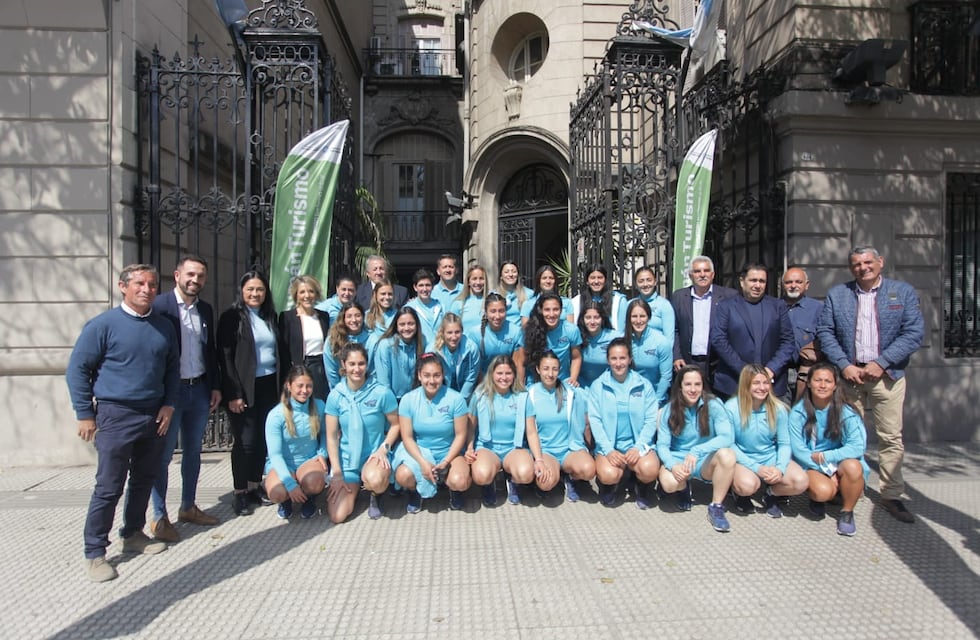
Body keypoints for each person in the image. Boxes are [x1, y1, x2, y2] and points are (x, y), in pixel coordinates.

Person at [67, 263, 178, 582]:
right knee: (109, 485)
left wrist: (169, 405)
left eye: (153, 284)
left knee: (144, 477)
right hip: (116, 414)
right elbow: (77, 370)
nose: (147, 289)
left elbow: (172, 369)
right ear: (123, 286)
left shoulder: (163, 326)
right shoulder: (102, 325)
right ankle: (95, 552)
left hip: (153, 413)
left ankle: (132, 533)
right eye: (140, 284)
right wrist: (84, 413)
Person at [816, 245, 924, 523]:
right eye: (856, 264)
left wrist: (883, 362)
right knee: (845, 436)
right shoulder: (838, 294)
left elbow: (914, 333)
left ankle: (892, 495)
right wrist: (844, 365)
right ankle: (848, 487)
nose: (862, 267)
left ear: (880, 262)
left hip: (887, 377)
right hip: (850, 376)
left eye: (867, 262)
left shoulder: (902, 292)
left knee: (890, 437)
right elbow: (825, 332)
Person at [148, 255, 222, 544]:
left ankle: (188, 506)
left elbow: (210, 350)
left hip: (199, 389)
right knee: (163, 456)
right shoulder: (160, 307)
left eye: (201, 276)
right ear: (177, 274)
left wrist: (214, 386)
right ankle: (158, 515)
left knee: (193, 452)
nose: (195, 280)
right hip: (171, 393)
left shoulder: (205, 309)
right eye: (190, 274)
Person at [217, 270, 281, 517]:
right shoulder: (232, 317)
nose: (255, 294)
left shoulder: (269, 316)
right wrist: (233, 393)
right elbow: (225, 358)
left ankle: (255, 486)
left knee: (262, 440)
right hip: (244, 389)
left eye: (260, 290)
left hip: (268, 386)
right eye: (250, 289)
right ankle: (240, 492)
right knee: (245, 442)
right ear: (242, 291)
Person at [788, 362, 870, 536]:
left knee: (854, 468)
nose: (823, 385)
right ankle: (821, 496)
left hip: (837, 461)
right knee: (823, 492)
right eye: (818, 380)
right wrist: (825, 471)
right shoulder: (798, 412)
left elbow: (857, 447)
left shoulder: (847, 412)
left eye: (828, 381)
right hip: (812, 463)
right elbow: (799, 450)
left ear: (835, 385)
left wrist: (827, 458)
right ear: (809, 383)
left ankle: (847, 512)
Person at [656, 365, 737, 532]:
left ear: (702, 386)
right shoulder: (669, 409)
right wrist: (672, 465)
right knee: (670, 484)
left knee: (727, 455)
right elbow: (662, 446)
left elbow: (727, 437)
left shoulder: (714, 405)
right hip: (679, 459)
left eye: (697, 384)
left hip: (703, 460)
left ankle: (716, 507)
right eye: (688, 384)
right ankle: (683, 487)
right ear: (680, 387)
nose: (693, 389)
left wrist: (697, 450)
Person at [325, 343, 399, 522]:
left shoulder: (381, 392)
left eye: (361, 364)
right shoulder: (336, 396)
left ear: (367, 364)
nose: (357, 369)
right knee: (337, 516)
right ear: (343, 364)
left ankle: (375, 493)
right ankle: (355, 487)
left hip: (374, 457)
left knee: (374, 479)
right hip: (348, 462)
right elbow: (332, 436)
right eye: (352, 364)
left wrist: (384, 448)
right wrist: (336, 473)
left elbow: (396, 425)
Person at [725, 364, 808, 518]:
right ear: (745, 385)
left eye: (766, 383)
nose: (762, 388)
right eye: (756, 383)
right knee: (748, 485)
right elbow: (729, 444)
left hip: (769, 456)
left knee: (801, 481)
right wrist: (756, 468)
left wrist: (780, 468)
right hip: (743, 459)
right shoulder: (731, 408)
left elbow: (784, 443)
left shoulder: (779, 408)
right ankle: (739, 493)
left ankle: (771, 493)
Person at [586, 338, 661, 508]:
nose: (618, 363)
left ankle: (641, 485)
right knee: (609, 474)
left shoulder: (644, 385)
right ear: (608, 360)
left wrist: (639, 447)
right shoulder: (598, 386)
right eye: (614, 358)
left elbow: (651, 420)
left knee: (649, 470)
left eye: (622, 358)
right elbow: (595, 421)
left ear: (630, 359)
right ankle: (610, 485)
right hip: (611, 447)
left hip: (636, 446)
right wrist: (608, 450)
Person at [392, 354, 471, 513]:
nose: (432, 381)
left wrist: (446, 461)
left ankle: (450, 486)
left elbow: (461, 435)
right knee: (403, 476)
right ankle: (415, 492)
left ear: (443, 375)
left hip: (450, 453)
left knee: (460, 481)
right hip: (420, 452)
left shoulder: (456, 399)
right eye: (427, 375)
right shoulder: (408, 400)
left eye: (437, 375)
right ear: (419, 376)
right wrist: (422, 462)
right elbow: (407, 437)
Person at [710, 262, 796, 400]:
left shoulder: (778, 306)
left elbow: (788, 342)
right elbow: (719, 340)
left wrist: (771, 370)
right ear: (742, 281)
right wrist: (746, 372)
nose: (758, 285)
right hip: (734, 383)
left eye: (762, 281)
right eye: (753, 280)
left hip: (772, 385)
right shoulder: (726, 306)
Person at [467, 355, 536, 507]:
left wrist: (539, 459)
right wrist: (469, 448)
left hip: (514, 448)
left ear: (514, 375)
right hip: (487, 448)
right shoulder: (479, 395)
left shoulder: (523, 397)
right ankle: (489, 484)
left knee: (526, 474)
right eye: (499, 373)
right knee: (481, 476)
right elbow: (470, 426)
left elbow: (531, 432)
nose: (504, 378)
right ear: (491, 374)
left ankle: (513, 480)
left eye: (508, 373)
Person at [526, 351, 595, 501]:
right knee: (546, 483)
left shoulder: (572, 392)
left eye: (554, 369)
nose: (550, 374)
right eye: (545, 369)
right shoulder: (529, 394)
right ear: (538, 369)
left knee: (589, 470)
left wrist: (588, 448)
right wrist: (537, 459)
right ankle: (555, 476)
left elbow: (588, 419)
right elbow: (529, 432)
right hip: (546, 451)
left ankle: (571, 477)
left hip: (569, 449)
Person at [263, 365, 327, 520]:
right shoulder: (276, 415)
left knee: (315, 482)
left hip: (308, 461)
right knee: (276, 492)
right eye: (300, 386)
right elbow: (275, 455)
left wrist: (322, 453)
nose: (304, 391)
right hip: (284, 463)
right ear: (288, 385)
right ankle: (285, 501)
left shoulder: (319, 406)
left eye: (309, 386)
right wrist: (290, 485)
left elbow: (326, 434)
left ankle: (308, 497)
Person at [670, 255, 737, 377]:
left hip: (717, 364)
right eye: (697, 271)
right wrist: (677, 356)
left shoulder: (729, 296)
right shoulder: (679, 297)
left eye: (706, 271)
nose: (702, 275)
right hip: (687, 362)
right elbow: (674, 330)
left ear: (713, 274)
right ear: (690, 275)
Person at [278, 275, 331, 401]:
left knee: (318, 405)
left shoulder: (324, 317)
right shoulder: (287, 317)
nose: (307, 296)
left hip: (320, 369)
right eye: (302, 292)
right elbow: (283, 352)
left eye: (311, 291)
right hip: (299, 369)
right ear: (296, 295)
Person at [781, 266, 823, 403]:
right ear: (782, 285)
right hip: (780, 374)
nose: (793, 286)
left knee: (807, 416)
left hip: (809, 372)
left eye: (798, 282)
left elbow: (826, 337)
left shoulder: (819, 309)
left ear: (807, 285)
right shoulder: (773, 307)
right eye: (788, 282)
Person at [523, 292, 582, 386]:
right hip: (535, 383)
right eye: (547, 310)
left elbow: (576, 357)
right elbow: (522, 361)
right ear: (541, 310)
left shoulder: (571, 330)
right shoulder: (530, 331)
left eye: (556, 309)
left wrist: (573, 379)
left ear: (561, 310)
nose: (551, 314)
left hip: (563, 382)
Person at [467, 292, 525, 381]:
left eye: (501, 311)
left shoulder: (516, 332)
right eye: (493, 311)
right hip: (483, 382)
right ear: (486, 313)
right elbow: (475, 369)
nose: (497, 316)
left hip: (507, 380)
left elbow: (518, 365)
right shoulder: (475, 334)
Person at [624, 298, 672, 406]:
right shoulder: (622, 340)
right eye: (634, 316)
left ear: (649, 317)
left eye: (642, 316)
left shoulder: (661, 342)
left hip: (655, 399)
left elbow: (666, 377)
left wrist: (656, 401)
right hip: (628, 400)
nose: (638, 320)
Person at [372, 307, 425, 401]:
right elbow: (384, 383)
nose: (407, 328)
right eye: (402, 324)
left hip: (416, 398)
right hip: (393, 399)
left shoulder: (421, 342)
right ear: (396, 326)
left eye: (411, 324)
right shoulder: (386, 346)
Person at [428, 313, 480, 403]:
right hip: (440, 395)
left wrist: (461, 401)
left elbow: (470, 379)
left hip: (464, 396)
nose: (454, 337)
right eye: (449, 332)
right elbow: (431, 379)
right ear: (443, 333)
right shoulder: (433, 350)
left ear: (462, 332)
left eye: (457, 332)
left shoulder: (471, 349)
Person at [323, 302, 373, 389]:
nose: (354, 320)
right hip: (342, 389)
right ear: (343, 319)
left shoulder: (372, 339)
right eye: (349, 316)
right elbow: (332, 371)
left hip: (368, 388)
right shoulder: (332, 341)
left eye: (357, 315)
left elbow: (374, 370)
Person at [572, 265, 628, 333]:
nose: (596, 281)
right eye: (592, 278)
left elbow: (622, 331)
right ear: (587, 281)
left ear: (605, 280)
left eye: (600, 277)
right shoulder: (576, 302)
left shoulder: (619, 301)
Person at [577, 300, 619, 388]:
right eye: (588, 317)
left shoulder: (615, 337)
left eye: (596, 317)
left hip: (607, 388)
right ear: (582, 319)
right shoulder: (577, 338)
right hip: (583, 389)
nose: (592, 322)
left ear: (602, 319)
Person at [630, 265, 675, 341]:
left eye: (649, 280)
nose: (645, 284)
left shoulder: (664, 305)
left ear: (655, 282)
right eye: (641, 281)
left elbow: (669, 339)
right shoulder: (630, 304)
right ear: (635, 285)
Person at [404, 268, 444, 346]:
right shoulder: (408, 308)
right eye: (421, 285)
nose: (424, 289)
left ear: (432, 287)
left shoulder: (440, 306)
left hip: (439, 352)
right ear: (415, 287)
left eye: (428, 285)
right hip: (418, 352)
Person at [493, 260, 533, 334]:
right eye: (506, 272)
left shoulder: (530, 294)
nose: (510, 274)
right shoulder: (493, 295)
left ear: (518, 275)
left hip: (521, 338)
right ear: (501, 276)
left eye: (514, 271)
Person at [450, 264, 488, 336]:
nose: (478, 282)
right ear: (468, 282)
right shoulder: (458, 303)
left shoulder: (490, 301)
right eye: (474, 279)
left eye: (481, 278)